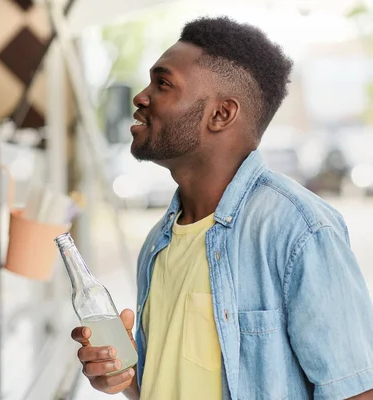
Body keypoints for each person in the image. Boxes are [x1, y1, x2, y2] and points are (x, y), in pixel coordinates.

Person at [71, 16, 373, 400]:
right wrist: (124, 376)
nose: (141, 96)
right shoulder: (157, 243)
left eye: (163, 83)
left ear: (221, 114)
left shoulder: (297, 229)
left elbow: (358, 391)